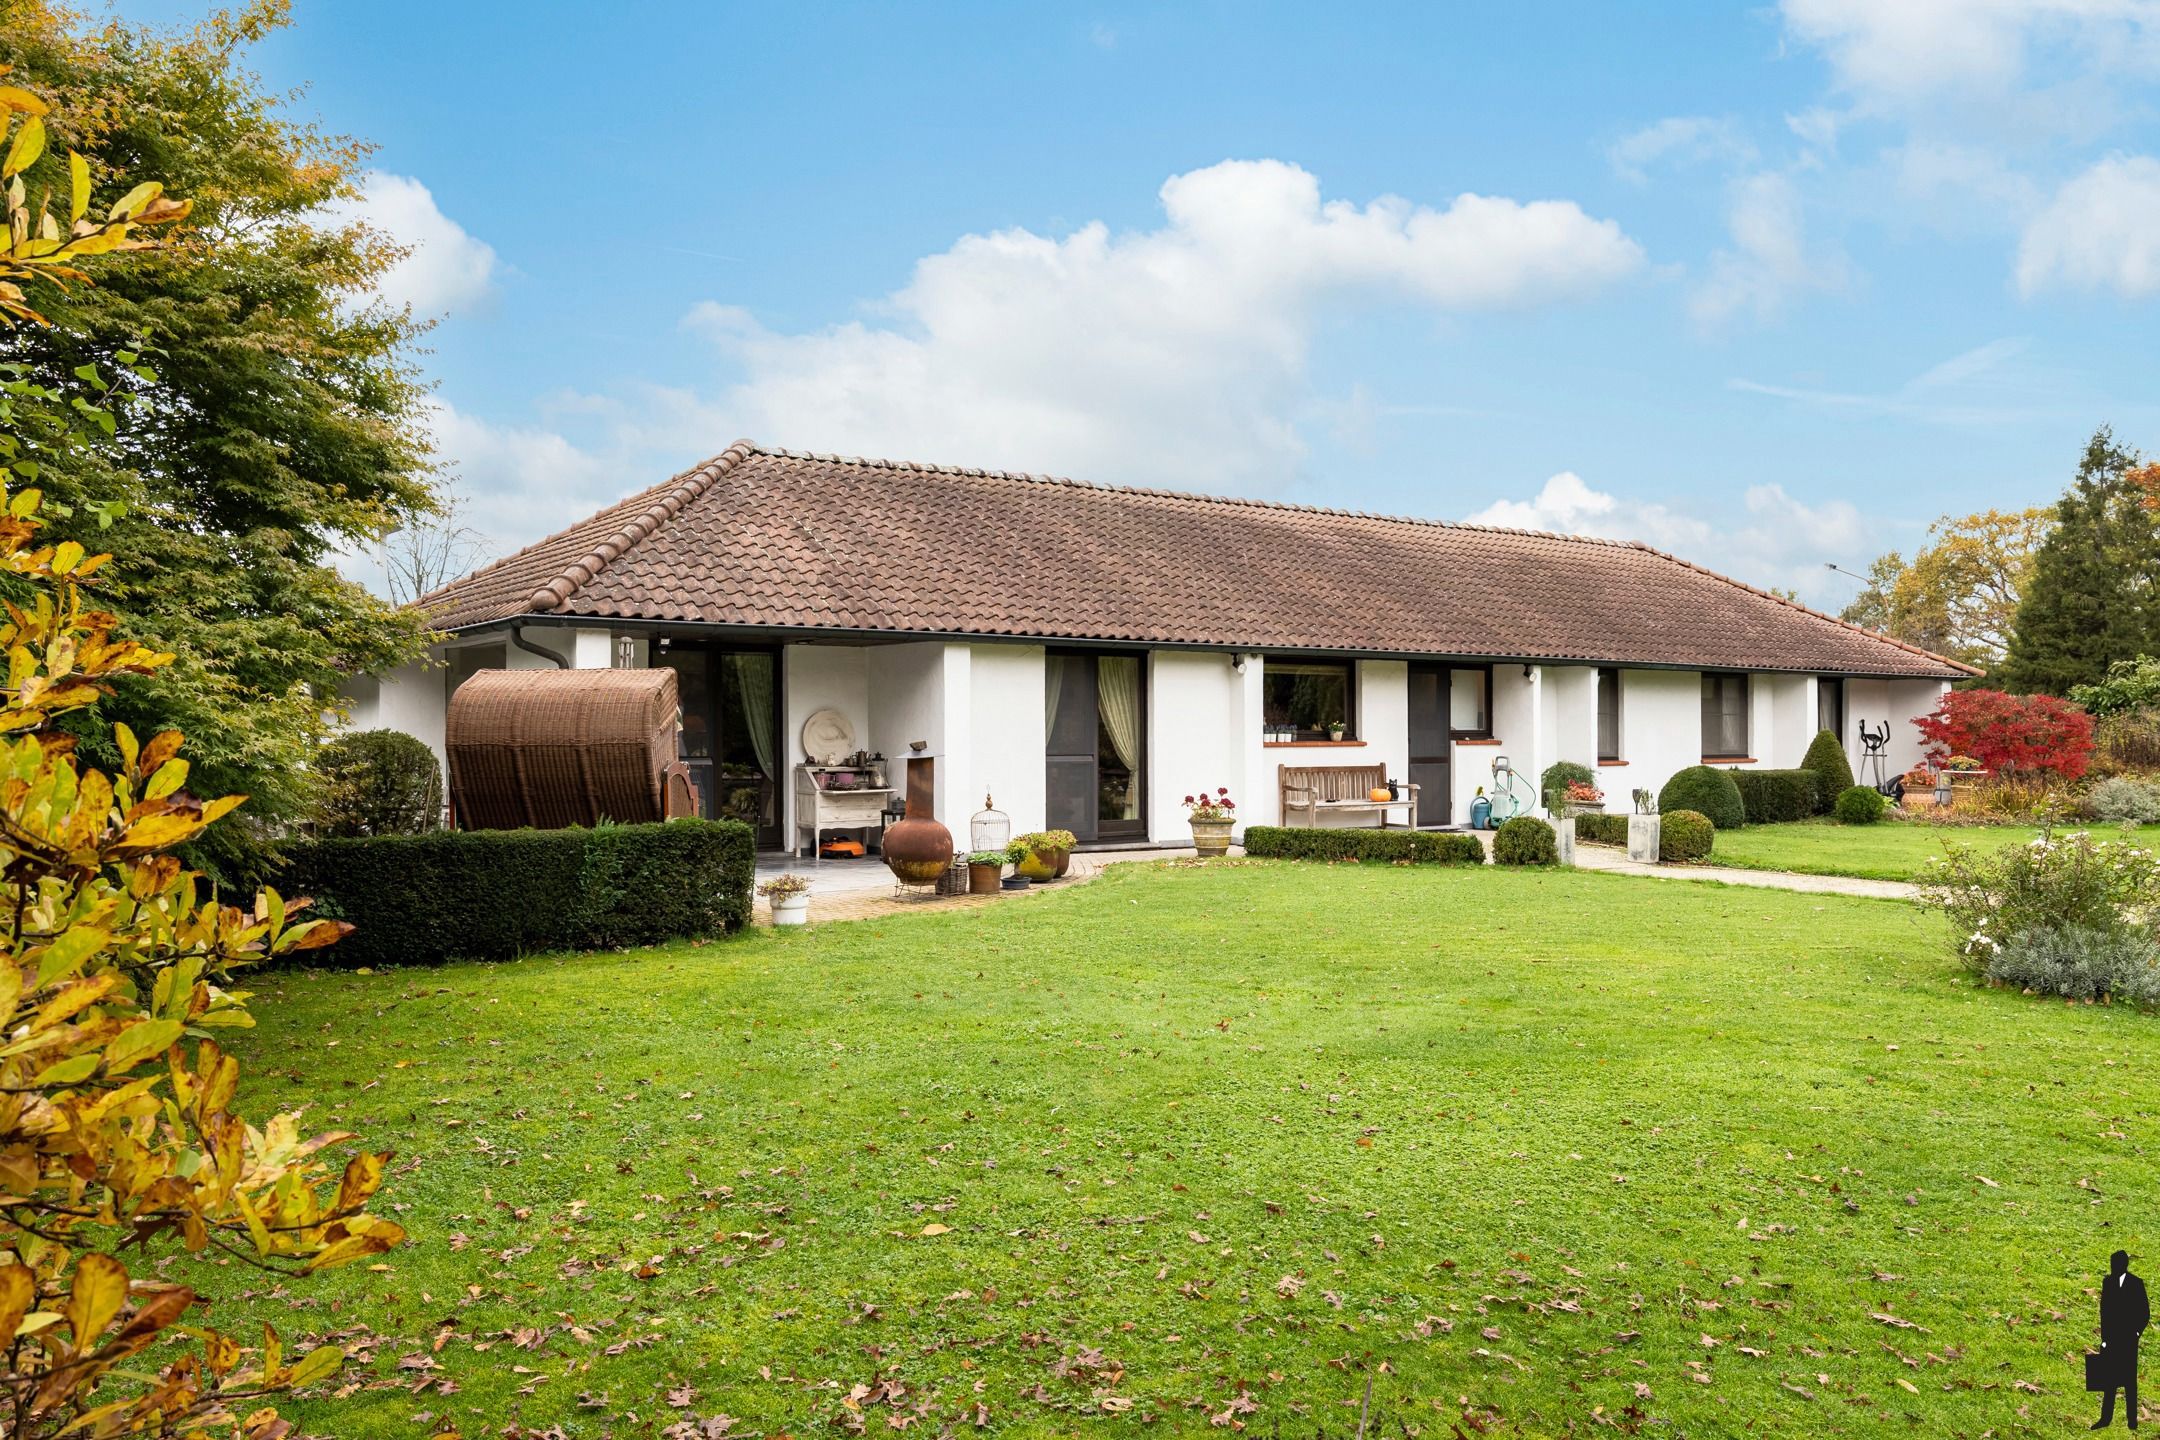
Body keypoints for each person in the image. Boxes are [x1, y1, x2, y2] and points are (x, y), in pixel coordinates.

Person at [2097, 1250, 2149, 1430]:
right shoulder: (2108, 1282)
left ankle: (2132, 1420)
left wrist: (2135, 1333)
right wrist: (2104, 1338)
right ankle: (2105, 1418)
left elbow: (2144, 1312)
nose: (2113, 1268)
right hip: (2111, 1339)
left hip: (2127, 1339)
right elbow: (2104, 1312)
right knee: (2109, 1380)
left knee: (2129, 1381)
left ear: (2123, 1265)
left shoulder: (2136, 1284)